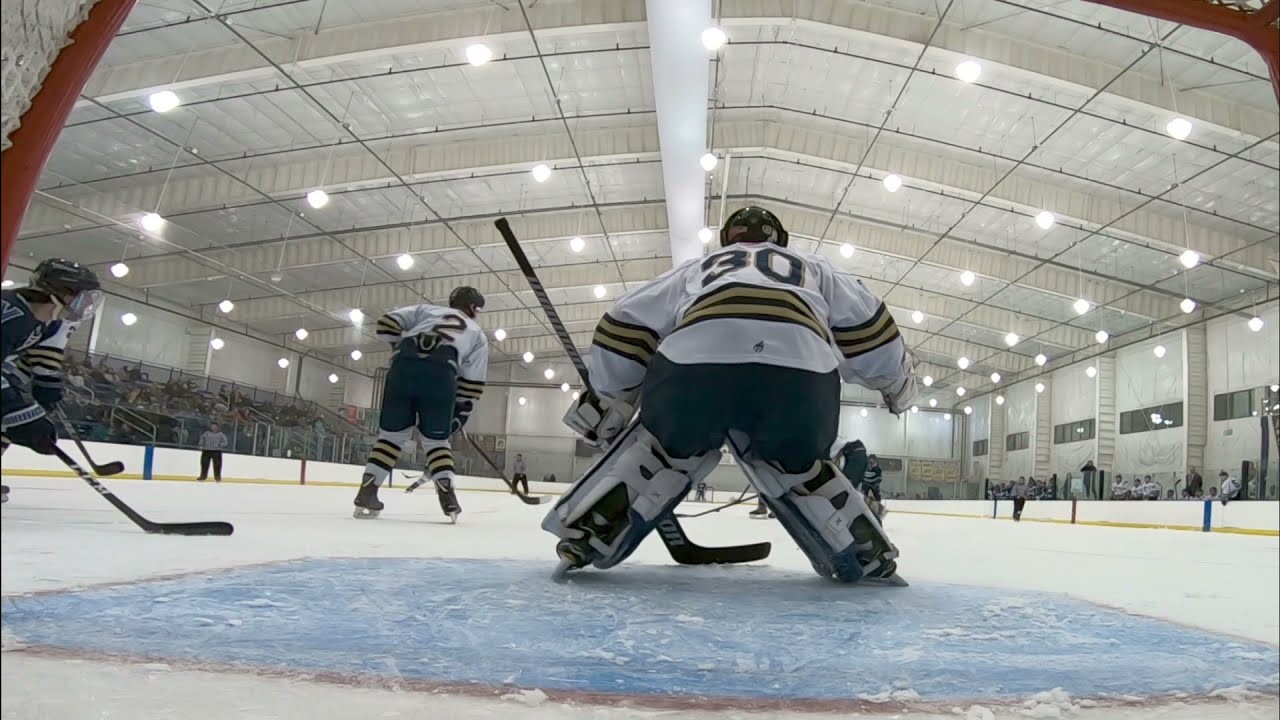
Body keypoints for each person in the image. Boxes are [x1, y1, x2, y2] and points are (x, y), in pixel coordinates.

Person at [545, 206, 916, 583]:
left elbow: (624, 322)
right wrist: (896, 386)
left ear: (728, 240)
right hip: (801, 372)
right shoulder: (814, 268)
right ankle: (861, 546)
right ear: (781, 240)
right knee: (795, 465)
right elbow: (873, 330)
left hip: (696, 364)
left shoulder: (697, 269)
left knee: (665, 452)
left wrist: (609, 400)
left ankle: (591, 529)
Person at [352, 287, 488, 522]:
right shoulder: (477, 333)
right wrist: (462, 411)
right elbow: (471, 383)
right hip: (441, 372)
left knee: (390, 437)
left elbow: (385, 323)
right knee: (436, 441)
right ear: (473, 308)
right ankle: (448, 499)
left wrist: (400, 349)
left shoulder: (426, 310)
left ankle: (367, 492)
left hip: (403, 366)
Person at [1, 259, 102, 505]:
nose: (85, 305)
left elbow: (16, 365)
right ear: (56, 292)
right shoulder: (11, 312)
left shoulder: (39, 324)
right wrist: (20, 411)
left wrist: (42, 391)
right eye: (79, 297)